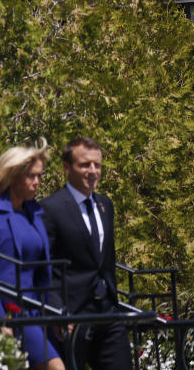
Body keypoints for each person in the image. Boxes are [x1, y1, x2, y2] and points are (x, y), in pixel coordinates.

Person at [0, 142, 64, 370]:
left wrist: (53, 313)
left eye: (39, 176)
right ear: (12, 175)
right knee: (56, 367)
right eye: (31, 176)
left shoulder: (34, 212)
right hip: (11, 311)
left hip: (37, 310)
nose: (37, 182)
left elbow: (43, 268)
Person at [40, 137, 132, 370]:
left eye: (97, 165)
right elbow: (45, 266)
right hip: (72, 315)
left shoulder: (105, 206)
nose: (92, 171)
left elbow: (104, 260)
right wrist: (57, 311)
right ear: (67, 167)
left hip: (108, 313)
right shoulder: (51, 208)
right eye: (84, 165)